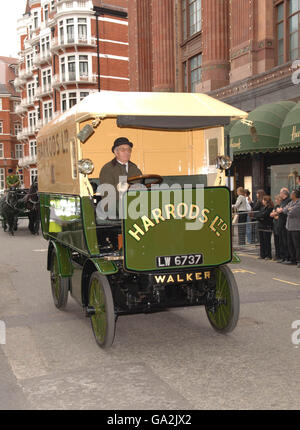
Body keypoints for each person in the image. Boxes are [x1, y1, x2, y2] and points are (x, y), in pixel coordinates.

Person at [96, 137, 142, 220]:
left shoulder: (135, 169)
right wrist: (122, 187)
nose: (127, 152)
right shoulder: (108, 168)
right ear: (116, 152)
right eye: (123, 150)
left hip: (133, 202)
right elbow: (106, 192)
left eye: (129, 150)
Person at [282, 188, 300, 267]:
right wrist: (288, 209)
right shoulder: (291, 202)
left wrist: (288, 209)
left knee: (297, 245)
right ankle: (292, 259)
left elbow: (293, 213)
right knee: (290, 244)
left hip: (296, 227)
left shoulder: (298, 203)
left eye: (292, 193)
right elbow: (284, 210)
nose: (291, 195)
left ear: (295, 195)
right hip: (288, 226)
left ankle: (298, 260)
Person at [254, 195, 274, 260]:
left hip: (266, 226)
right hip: (261, 226)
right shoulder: (263, 207)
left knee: (267, 241)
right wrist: (259, 217)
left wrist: (260, 216)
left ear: (266, 201)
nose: (262, 201)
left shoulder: (270, 208)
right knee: (262, 241)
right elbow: (259, 215)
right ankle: (262, 254)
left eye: (263, 200)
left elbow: (264, 215)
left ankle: (268, 255)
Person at [275, 189, 291, 263]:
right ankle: (283, 257)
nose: (280, 194)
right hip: (280, 223)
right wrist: (279, 210)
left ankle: (287, 257)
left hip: (285, 223)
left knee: (285, 241)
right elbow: (279, 209)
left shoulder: (288, 200)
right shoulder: (283, 201)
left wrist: (280, 210)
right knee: (281, 241)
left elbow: (283, 210)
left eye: (280, 192)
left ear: (284, 193)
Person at [270, 195, 283, 261]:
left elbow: (278, 216)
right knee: (276, 242)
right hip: (275, 226)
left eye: (277, 200)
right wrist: (275, 214)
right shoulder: (276, 206)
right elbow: (271, 214)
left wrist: (275, 214)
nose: (276, 201)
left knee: (280, 242)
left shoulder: (281, 206)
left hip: (279, 226)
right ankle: (277, 255)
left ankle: (281, 256)